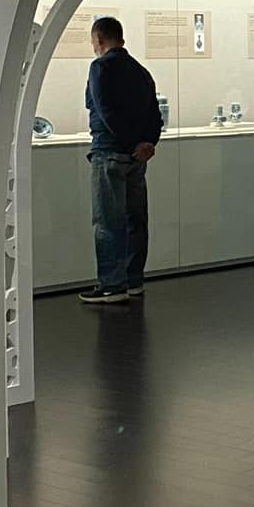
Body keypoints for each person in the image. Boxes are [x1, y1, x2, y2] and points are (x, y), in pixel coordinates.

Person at [81, 15, 162, 304]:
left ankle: (112, 285)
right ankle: (133, 280)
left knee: (107, 222)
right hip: (136, 158)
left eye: (93, 41)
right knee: (135, 220)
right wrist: (147, 143)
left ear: (99, 39)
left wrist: (130, 143)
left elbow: (106, 111)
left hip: (109, 153)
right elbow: (155, 114)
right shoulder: (140, 71)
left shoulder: (100, 68)